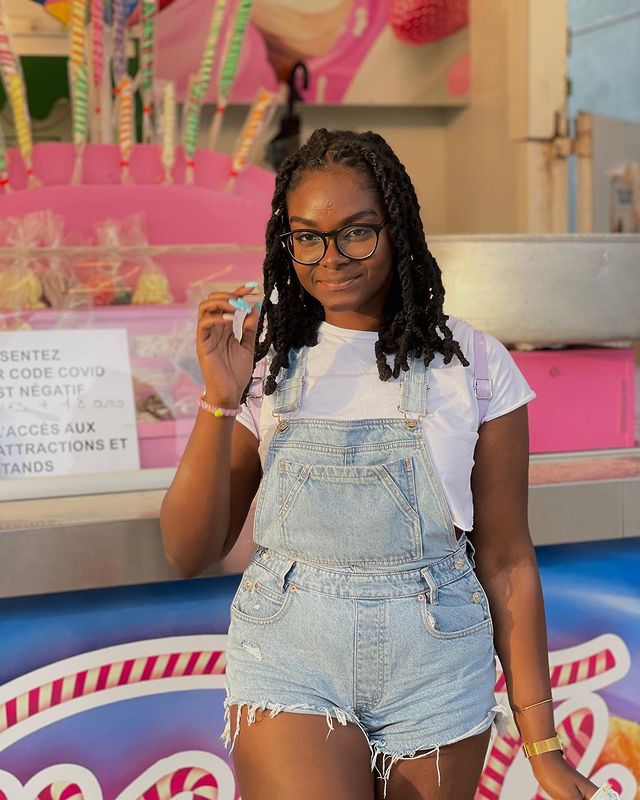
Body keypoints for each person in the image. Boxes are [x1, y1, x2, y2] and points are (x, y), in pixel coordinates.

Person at [160, 129, 601, 800]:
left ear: (398, 229)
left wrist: (541, 747)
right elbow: (188, 550)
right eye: (307, 236)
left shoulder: (475, 367)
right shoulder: (268, 365)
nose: (329, 257)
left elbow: (507, 560)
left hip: (438, 658)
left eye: (356, 233)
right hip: (290, 651)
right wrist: (219, 400)